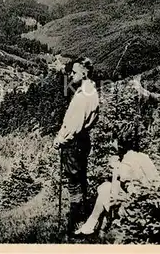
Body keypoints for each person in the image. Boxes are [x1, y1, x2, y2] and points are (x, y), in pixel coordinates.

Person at [74, 124, 160, 237]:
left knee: (105, 188)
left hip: (136, 204)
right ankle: (93, 225)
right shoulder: (143, 157)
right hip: (150, 200)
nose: (111, 143)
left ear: (121, 141)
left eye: (113, 140)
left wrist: (116, 169)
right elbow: (156, 181)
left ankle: (95, 225)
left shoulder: (126, 162)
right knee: (105, 188)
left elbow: (116, 193)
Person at [52, 57, 100, 236]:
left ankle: (76, 223)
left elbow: (74, 126)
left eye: (74, 72)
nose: (71, 75)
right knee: (80, 178)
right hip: (83, 141)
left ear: (84, 73)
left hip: (73, 143)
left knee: (74, 182)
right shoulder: (91, 92)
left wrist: (60, 140)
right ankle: (83, 217)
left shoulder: (83, 97)